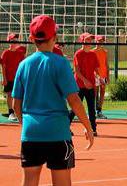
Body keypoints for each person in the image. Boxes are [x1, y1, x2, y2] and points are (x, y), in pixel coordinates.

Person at [12, 15, 94, 186]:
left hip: (31, 133)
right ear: (55, 37)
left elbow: (15, 104)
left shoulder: (23, 65)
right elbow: (74, 101)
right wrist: (88, 127)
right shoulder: (61, 63)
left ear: (31, 38)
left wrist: (27, 124)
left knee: (29, 182)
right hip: (57, 133)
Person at [69, 32, 99, 136]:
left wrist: (101, 77)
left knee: (91, 108)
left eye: (90, 40)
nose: (89, 42)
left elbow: (96, 69)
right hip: (79, 85)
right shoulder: (78, 54)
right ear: (82, 41)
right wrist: (85, 81)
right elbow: (76, 71)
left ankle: (93, 129)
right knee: (75, 107)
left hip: (90, 85)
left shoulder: (93, 54)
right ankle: (65, 127)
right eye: (87, 40)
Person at [1, 32, 26, 121]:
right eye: (13, 40)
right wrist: (4, 78)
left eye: (16, 40)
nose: (15, 42)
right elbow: (3, 66)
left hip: (18, 78)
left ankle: (18, 111)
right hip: (9, 78)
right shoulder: (6, 53)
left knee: (19, 95)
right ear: (9, 42)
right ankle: (11, 112)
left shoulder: (20, 53)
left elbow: (23, 65)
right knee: (9, 95)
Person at [93, 35, 109, 120]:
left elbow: (106, 64)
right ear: (95, 41)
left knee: (102, 93)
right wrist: (97, 75)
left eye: (102, 41)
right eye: (99, 41)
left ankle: (99, 111)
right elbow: (92, 65)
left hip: (103, 75)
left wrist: (108, 76)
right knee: (95, 93)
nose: (100, 42)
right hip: (95, 75)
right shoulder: (92, 52)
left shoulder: (104, 51)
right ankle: (94, 111)